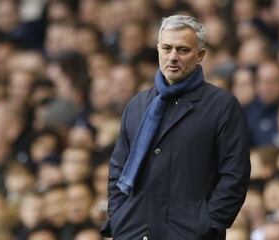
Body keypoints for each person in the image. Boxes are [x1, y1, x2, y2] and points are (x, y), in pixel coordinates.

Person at [101, 15, 250, 240]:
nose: (172, 57)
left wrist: (209, 224)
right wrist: (119, 215)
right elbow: (117, 169)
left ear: (200, 55)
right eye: (167, 48)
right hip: (134, 230)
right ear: (158, 49)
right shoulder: (138, 104)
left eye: (182, 50)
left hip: (190, 233)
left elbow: (235, 174)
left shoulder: (222, 105)